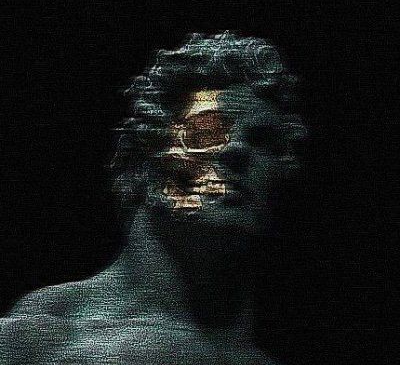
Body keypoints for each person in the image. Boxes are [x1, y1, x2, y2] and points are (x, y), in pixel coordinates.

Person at [0, 32, 306, 364]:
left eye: (262, 141)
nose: (237, 150)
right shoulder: (38, 341)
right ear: (141, 163)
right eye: (204, 132)